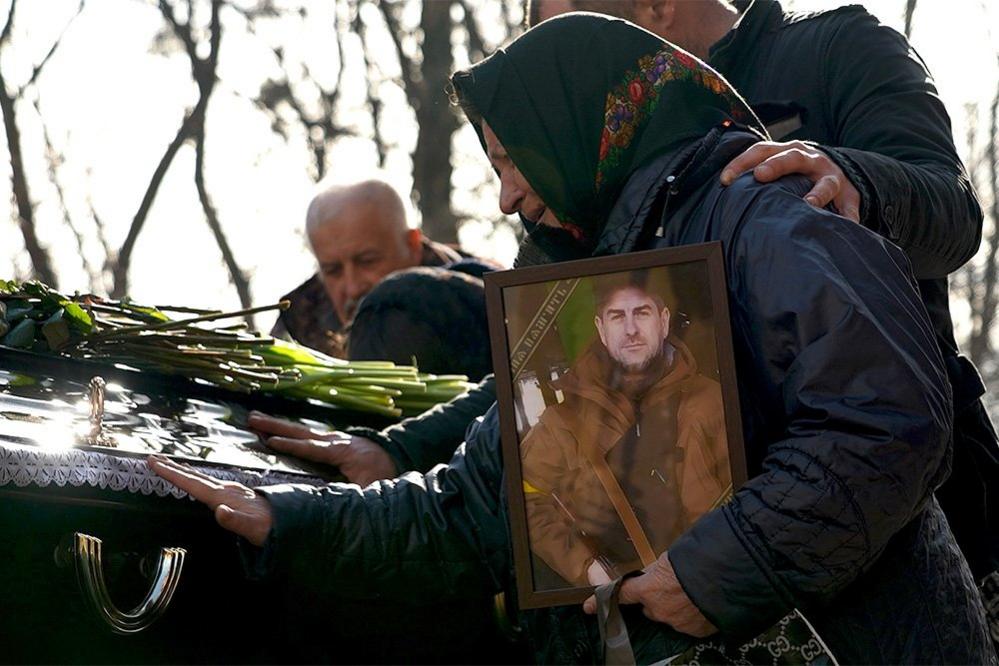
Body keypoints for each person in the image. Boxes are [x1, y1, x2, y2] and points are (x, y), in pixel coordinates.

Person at [149, 15, 995, 664]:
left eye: (515, 162)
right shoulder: (588, 293)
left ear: (577, 125)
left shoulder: (768, 220)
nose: (510, 198)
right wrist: (289, 520)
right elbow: (482, 506)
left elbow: (885, 426)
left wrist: (718, 570)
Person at [528, 0, 999, 600]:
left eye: (569, 42)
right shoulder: (593, 157)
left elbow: (954, 214)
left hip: (903, 511)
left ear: (656, 8)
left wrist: (846, 175)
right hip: (701, 554)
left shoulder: (837, 47)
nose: (551, 83)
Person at [521, 273, 730, 589]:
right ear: (601, 330)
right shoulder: (563, 422)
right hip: (630, 606)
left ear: (663, 320)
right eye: (617, 317)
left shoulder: (713, 401)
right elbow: (525, 500)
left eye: (642, 313)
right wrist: (588, 569)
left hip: (720, 591)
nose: (631, 329)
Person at [271, 178, 467, 355]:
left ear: (412, 246)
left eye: (367, 261)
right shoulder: (297, 326)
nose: (353, 288)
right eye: (333, 270)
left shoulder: (483, 300)